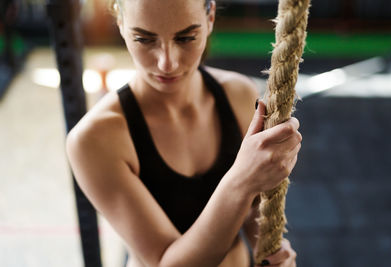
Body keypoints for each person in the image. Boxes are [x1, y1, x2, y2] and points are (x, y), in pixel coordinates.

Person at [66, 0, 301, 266]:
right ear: (120, 22)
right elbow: (167, 262)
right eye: (144, 39)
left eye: (186, 37)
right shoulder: (94, 139)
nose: (167, 62)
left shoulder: (238, 94)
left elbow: (251, 211)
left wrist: (268, 249)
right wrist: (241, 180)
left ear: (210, 16)